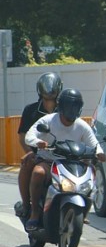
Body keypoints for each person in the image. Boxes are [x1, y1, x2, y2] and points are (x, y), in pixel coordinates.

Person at [24, 88, 106, 231]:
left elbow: (94, 144)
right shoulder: (48, 120)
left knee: (91, 175)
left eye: (75, 106)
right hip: (49, 162)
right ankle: (35, 214)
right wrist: (38, 142)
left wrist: (100, 153)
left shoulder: (82, 126)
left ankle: (83, 211)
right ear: (61, 106)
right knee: (38, 173)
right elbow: (29, 136)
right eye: (69, 106)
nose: (72, 109)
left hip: (74, 165)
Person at [15, 72, 63, 218]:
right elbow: (23, 136)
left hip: (62, 156)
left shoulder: (65, 110)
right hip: (38, 156)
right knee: (27, 164)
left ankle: (80, 208)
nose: (50, 98)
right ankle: (26, 204)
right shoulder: (30, 110)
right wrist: (30, 152)